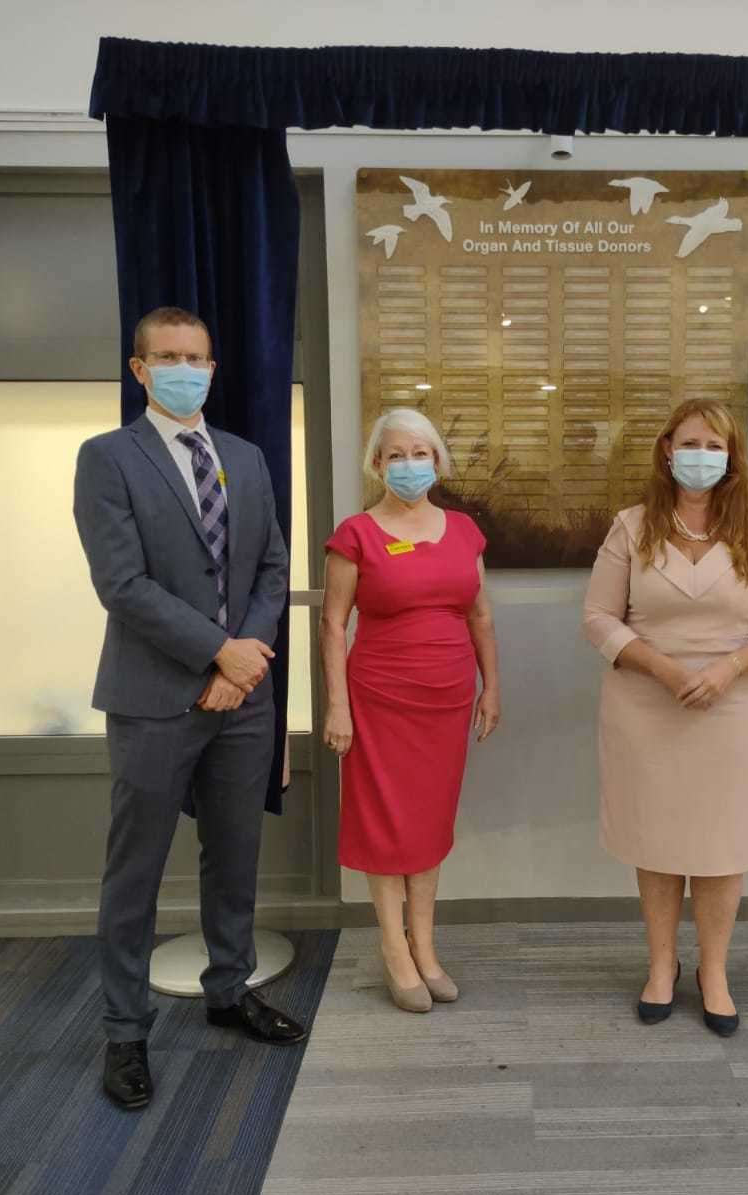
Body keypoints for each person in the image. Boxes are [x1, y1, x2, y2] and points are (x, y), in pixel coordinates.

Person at [74, 305, 308, 1111]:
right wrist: (217, 651)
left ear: (214, 368)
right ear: (139, 370)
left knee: (234, 853)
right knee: (134, 869)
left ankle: (228, 989)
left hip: (242, 698)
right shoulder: (107, 459)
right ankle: (125, 1029)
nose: (185, 368)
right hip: (153, 697)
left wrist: (239, 663)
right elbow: (122, 585)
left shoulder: (244, 457)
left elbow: (272, 569)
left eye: (197, 357)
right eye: (168, 356)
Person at [582, 399, 748, 1037]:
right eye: (689, 443)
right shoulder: (632, 525)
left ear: (731, 456)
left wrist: (729, 668)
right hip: (646, 704)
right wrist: (667, 669)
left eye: (714, 445)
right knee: (656, 841)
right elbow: (598, 617)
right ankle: (660, 966)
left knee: (719, 845)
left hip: (731, 710)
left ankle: (714, 971)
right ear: (666, 449)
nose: (700, 455)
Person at [320, 408, 500, 1013]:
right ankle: (394, 950)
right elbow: (332, 624)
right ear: (376, 464)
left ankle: (425, 947)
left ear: (438, 461)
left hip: (446, 701)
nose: (408, 464)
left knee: (427, 824)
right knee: (384, 823)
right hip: (377, 699)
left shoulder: (465, 531)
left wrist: (490, 686)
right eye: (395, 454)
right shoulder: (356, 533)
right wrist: (337, 708)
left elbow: (479, 615)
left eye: (419, 453)